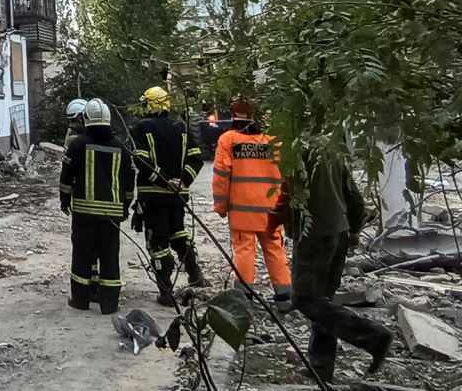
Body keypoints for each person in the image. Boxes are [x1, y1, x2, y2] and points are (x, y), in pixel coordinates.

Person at [285, 146, 393, 382]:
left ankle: (373, 336)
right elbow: (354, 195)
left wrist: (290, 228)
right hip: (339, 231)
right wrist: (353, 229)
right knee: (323, 299)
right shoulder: (328, 144)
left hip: (313, 232)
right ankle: (321, 367)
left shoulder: (293, 145)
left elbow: (286, 193)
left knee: (305, 299)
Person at [131, 86, 208, 306]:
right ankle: (195, 275)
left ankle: (166, 290)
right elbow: (197, 158)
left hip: (154, 196)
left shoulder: (141, 128)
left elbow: (142, 161)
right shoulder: (180, 127)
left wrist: (164, 179)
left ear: (150, 104)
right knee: (179, 233)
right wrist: (183, 180)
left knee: (158, 242)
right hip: (177, 196)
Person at [211, 95, 292, 306]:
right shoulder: (276, 140)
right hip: (272, 210)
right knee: (275, 249)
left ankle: (244, 299)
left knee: (244, 251)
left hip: (242, 211)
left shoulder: (228, 140)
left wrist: (220, 206)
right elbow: (288, 175)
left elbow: (221, 177)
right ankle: (285, 298)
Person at [60, 97, 135, 314]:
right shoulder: (120, 147)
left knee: (82, 256)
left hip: (83, 214)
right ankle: (109, 304)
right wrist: (126, 205)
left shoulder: (77, 145)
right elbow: (129, 180)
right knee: (110, 257)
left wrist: (64, 200)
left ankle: (81, 301)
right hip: (111, 215)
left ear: (86, 118)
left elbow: (66, 178)